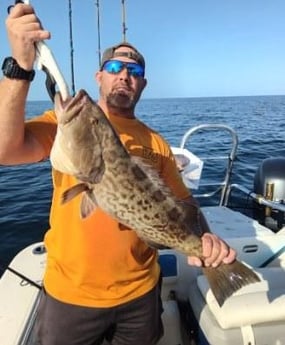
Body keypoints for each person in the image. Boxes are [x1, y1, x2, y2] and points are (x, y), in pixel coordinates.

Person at [0, 3, 236, 345]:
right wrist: (21, 67)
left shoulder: (157, 143)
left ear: (142, 83)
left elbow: (186, 205)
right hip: (71, 297)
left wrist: (207, 242)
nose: (124, 74)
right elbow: (6, 150)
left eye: (134, 70)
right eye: (114, 66)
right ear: (100, 76)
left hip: (141, 294)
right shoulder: (64, 126)